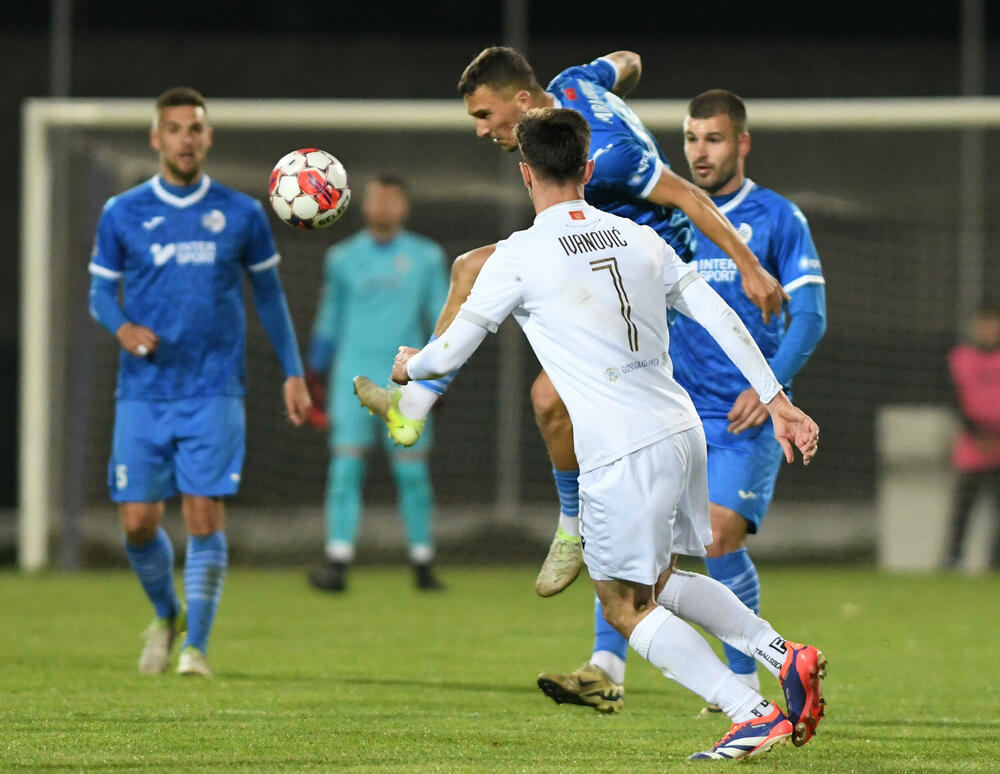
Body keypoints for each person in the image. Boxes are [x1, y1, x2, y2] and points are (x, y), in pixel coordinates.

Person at [391, 108, 825, 760]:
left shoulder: (518, 255)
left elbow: (447, 353)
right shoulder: (637, 237)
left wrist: (409, 366)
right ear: (589, 170)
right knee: (662, 581)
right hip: (680, 429)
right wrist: (776, 396)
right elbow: (715, 309)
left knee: (623, 603)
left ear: (525, 173)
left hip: (620, 448)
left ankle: (751, 711)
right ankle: (782, 657)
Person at [354, 47, 788, 600]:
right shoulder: (577, 83)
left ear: (521, 101)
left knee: (548, 401)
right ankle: (413, 410)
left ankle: (571, 529)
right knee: (470, 272)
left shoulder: (608, 156)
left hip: (635, 276)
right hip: (587, 261)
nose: (483, 130)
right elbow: (628, 60)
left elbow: (689, 196)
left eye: (485, 116)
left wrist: (749, 266)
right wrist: (615, 98)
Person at [537, 90, 827, 713]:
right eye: (692, 138)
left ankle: (748, 686)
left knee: (719, 539)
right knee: (633, 541)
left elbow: (811, 315)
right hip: (671, 409)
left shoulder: (776, 218)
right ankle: (606, 664)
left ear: (741, 143)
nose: (700, 151)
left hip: (744, 415)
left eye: (714, 139)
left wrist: (769, 384)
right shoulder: (658, 220)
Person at [87, 87, 311, 677]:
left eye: (196, 128)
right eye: (176, 128)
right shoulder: (122, 212)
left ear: (208, 137)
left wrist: (292, 371)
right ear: (156, 138)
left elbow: (269, 295)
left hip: (215, 388)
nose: (186, 138)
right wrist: (124, 328)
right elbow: (97, 294)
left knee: (204, 515)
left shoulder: (240, 213)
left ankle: (197, 649)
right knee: (137, 523)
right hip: (143, 389)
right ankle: (167, 613)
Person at [305, 175, 449, 592]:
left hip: (406, 379)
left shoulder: (425, 256)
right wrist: (314, 375)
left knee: (412, 475)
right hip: (350, 376)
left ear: (404, 207)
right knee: (346, 468)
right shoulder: (342, 257)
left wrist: (437, 377)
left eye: (392, 199)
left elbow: (441, 320)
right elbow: (329, 319)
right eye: (376, 199)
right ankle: (337, 560)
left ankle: (423, 562)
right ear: (363, 206)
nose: (384, 206)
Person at [944, 308, 1000, 569]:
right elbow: (955, 399)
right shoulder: (961, 358)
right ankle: (953, 559)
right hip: (972, 445)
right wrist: (977, 433)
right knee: (963, 508)